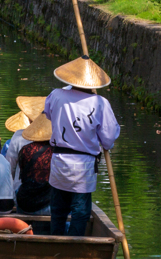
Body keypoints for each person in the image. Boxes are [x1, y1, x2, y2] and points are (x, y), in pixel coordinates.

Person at [46, 56, 121, 237]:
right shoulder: (100, 103)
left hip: (59, 160)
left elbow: (48, 115)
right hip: (83, 163)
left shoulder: (55, 95)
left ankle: (55, 240)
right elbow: (109, 139)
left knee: (58, 208)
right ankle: (74, 244)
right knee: (80, 211)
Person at [16, 112, 54, 234]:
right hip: (46, 203)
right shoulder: (56, 152)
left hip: (24, 201)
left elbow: (23, 176)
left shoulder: (25, 150)